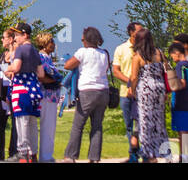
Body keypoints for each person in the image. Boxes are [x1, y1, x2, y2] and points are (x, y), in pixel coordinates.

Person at [62, 25, 111, 163]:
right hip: (103, 91)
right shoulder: (105, 53)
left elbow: (68, 65)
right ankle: (94, 157)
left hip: (87, 91)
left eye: (82, 39)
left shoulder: (82, 52)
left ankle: (70, 156)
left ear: (86, 40)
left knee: (78, 125)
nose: (81, 41)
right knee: (97, 126)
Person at [6, 22, 45, 163]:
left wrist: (8, 68)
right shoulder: (35, 51)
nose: (15, 38)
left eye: (17, 35)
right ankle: (33, 153)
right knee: (32, 123)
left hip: (21, 88)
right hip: (34, 89)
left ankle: (22, 152)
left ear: (25, 35)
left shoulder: (21, 50)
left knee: (21, 121)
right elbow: (40, 73)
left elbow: (16, 67)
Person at [127, 26, 167, 163]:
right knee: (159, 122)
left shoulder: (137, 56)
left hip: (145, 91)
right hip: (159, 89)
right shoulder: (159, 53)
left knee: (145, 123)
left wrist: (132, 90)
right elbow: (165, 70)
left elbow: (133, 77)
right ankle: (162, 151)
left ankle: (149, 154)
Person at [112, 21, 140, 162]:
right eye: (138, 30)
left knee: (141, 124)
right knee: (129, 125)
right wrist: (130, 82)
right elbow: (116, 71)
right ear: (131, 32)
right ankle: (133, 153)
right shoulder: (121, 49)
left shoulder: (145, 49)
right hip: (125, 92)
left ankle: (143, 152)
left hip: (142, 92)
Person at [35, 31, 63, 162]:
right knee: (48, 126)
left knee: (48, 126)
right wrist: (55, 81)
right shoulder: (42, 58)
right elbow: (42, 76)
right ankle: (45, 157)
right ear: (45, 44)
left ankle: (45, 155)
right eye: (51, 42)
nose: (53, 44)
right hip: (46, 95)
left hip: (49, 95)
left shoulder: (47, 57)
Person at [0, 28, 18, 160]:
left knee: (15, 123)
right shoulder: (3, 55)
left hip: (13, 92)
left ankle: (13, 151)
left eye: (4, 37)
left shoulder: (16, 55)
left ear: (11, 39)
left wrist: (10, 72)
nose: (2, 40)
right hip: (2, 92)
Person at [166, 40, 188, 163]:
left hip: (181, 101)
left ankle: (184, 157)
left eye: (172, 55)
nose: (173, 58)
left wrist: (172, 85)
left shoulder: (181, 65)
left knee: (183, 132)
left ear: (176, 52)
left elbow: (182, 83)